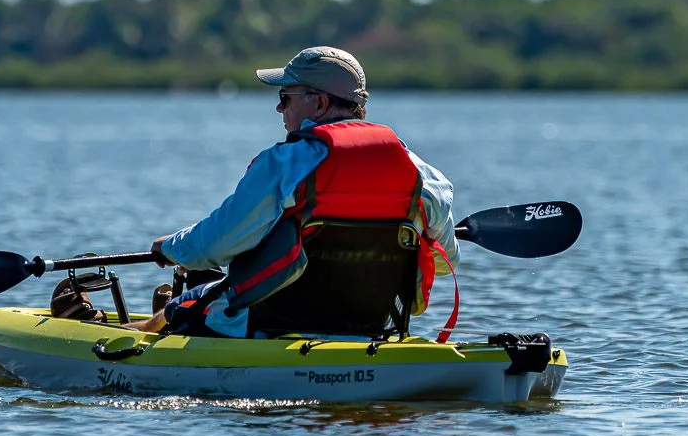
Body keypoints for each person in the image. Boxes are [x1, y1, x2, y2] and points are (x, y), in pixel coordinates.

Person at [128, 46, 458, 339]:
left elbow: (219, 243)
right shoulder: (421, 174)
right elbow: (444, 263)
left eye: (285, 97)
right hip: (370, 329)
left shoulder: (283, 163)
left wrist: (171, 248)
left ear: (320, 102)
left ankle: (139, 320)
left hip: (269, 327)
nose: (278, 109)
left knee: (181, 308)